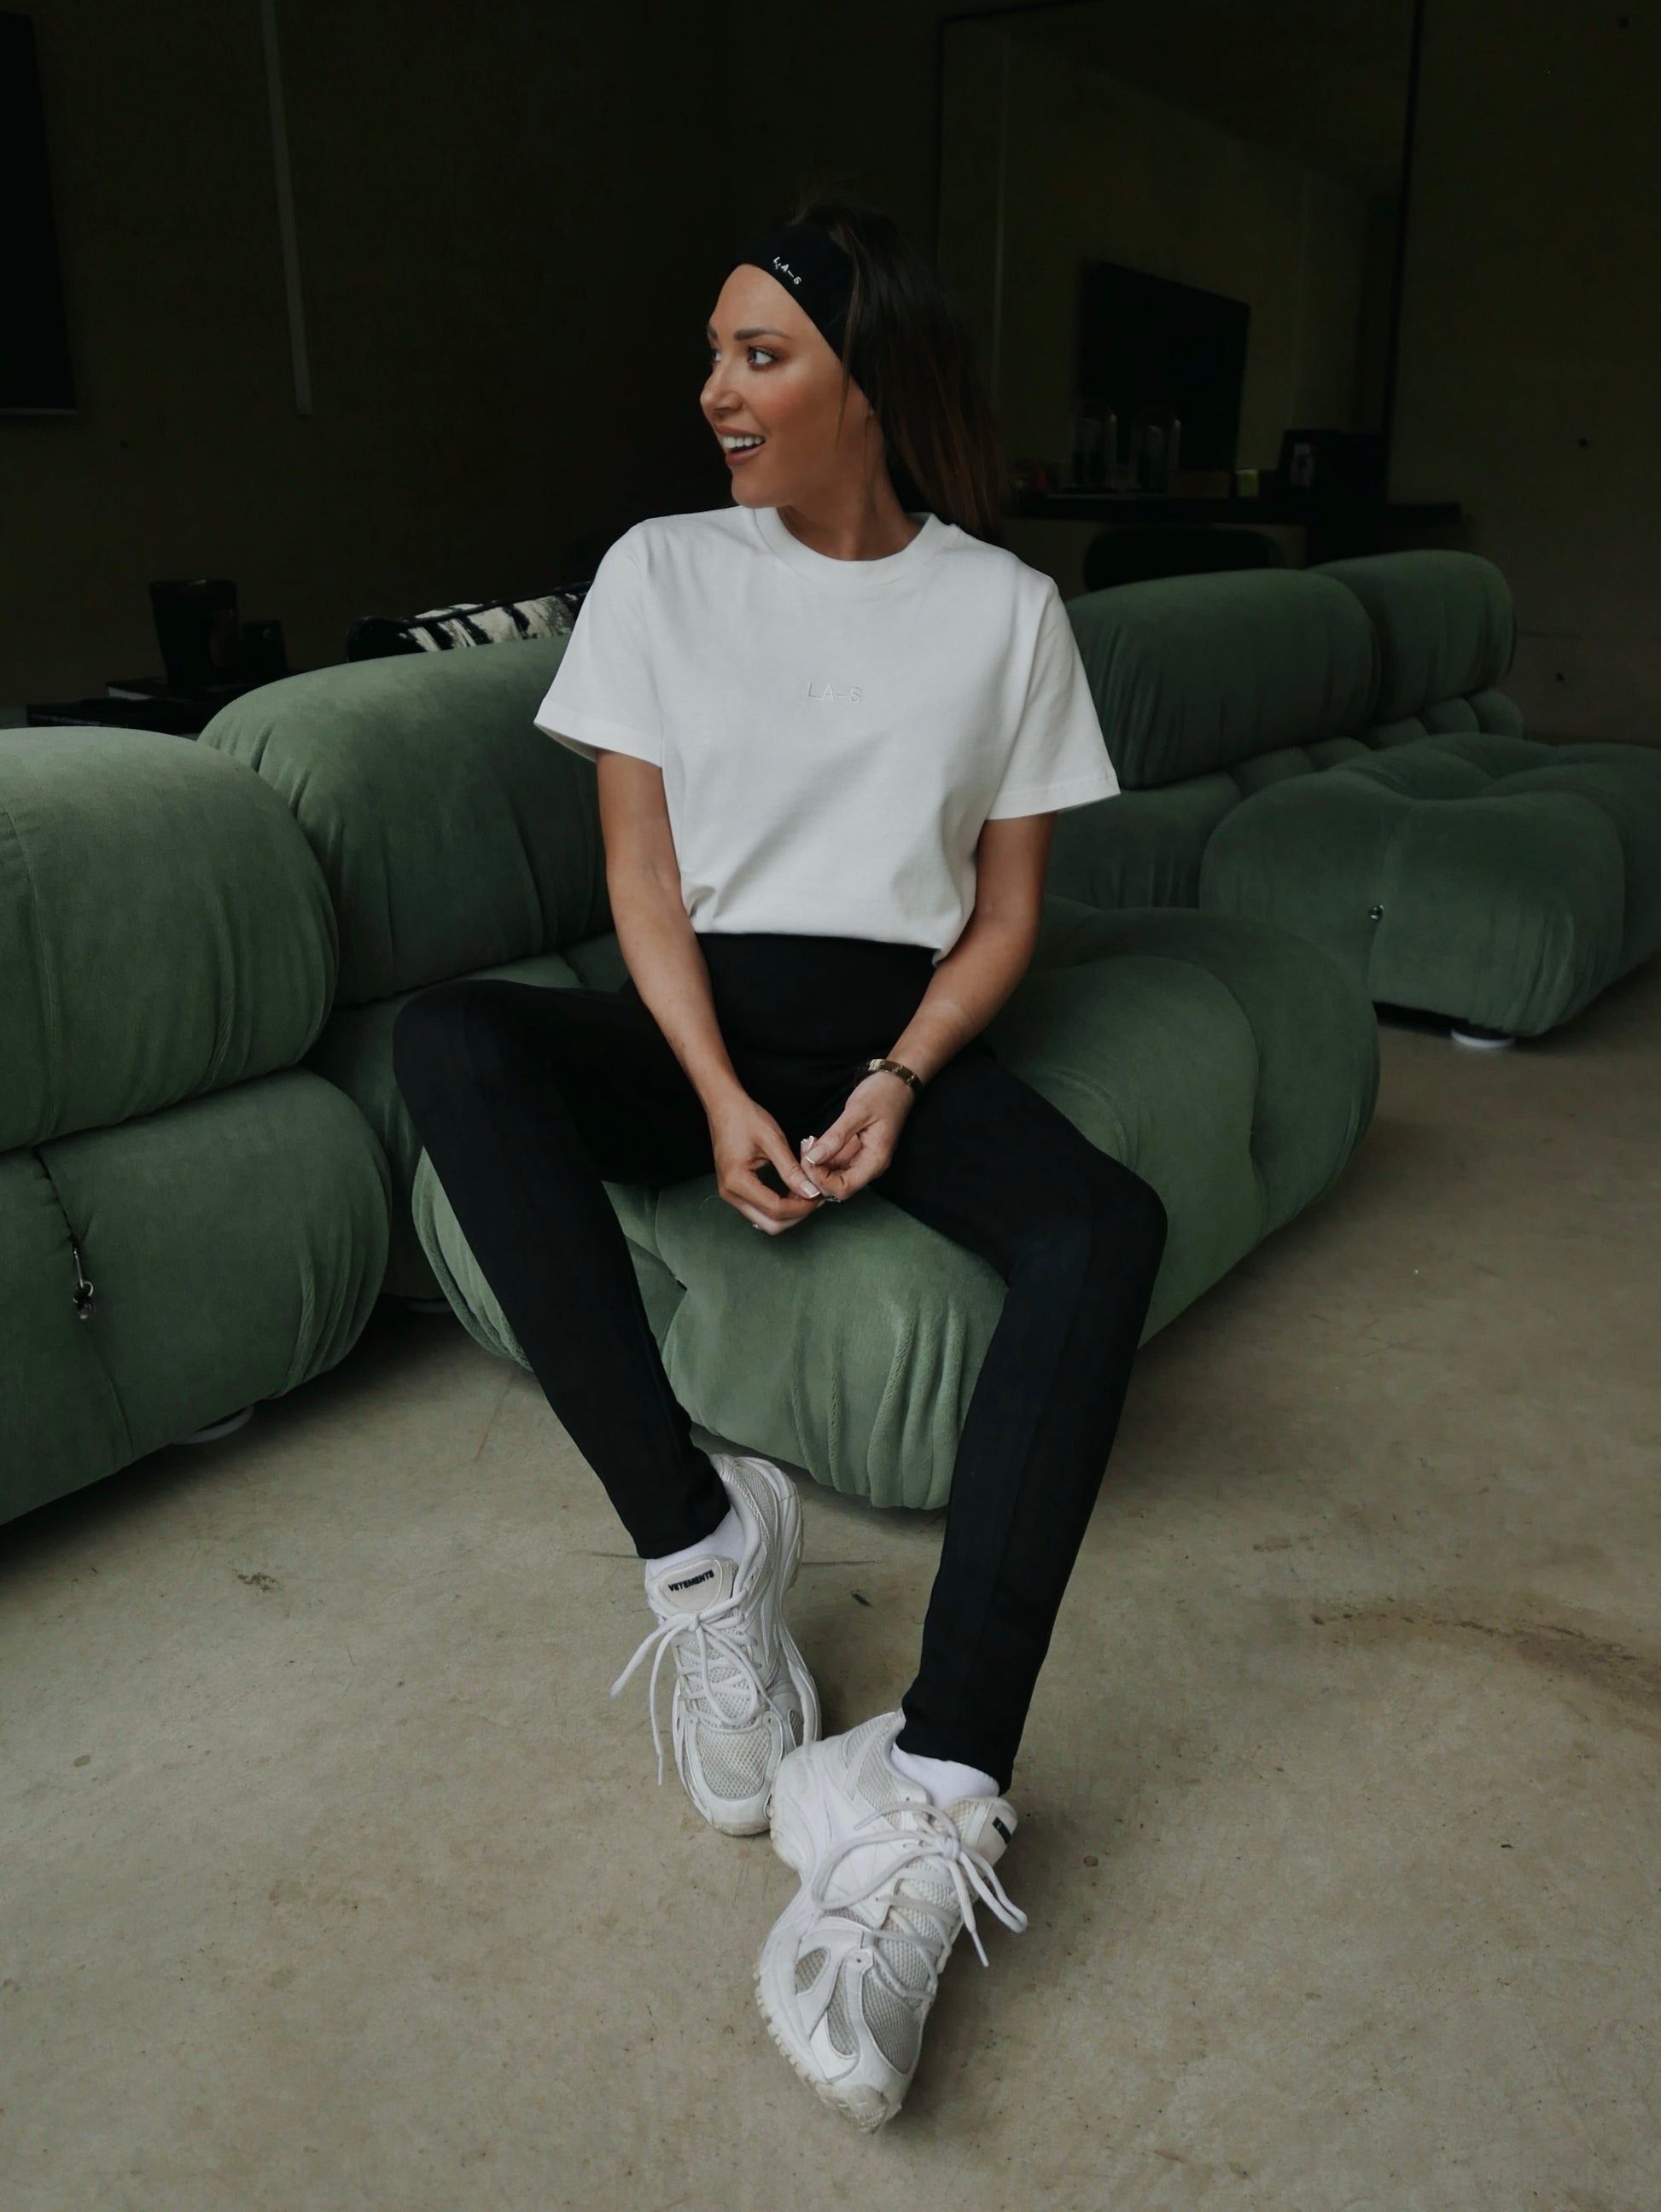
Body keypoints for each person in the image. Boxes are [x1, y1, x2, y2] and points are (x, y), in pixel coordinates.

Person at [391, 198, 1169, 2132]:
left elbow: (1005, 917)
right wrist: (711, 1088)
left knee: (1102, 1225)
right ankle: (702, 1547)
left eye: (762, 354)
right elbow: (639, 877)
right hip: (704, 1025)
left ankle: (927, 1787)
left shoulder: (1005, 611)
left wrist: (901, 1075)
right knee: (454, 1040)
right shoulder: (661, 569)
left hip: (896, 1036)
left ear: (866, 381)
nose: (716, 391)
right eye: (717, 356)